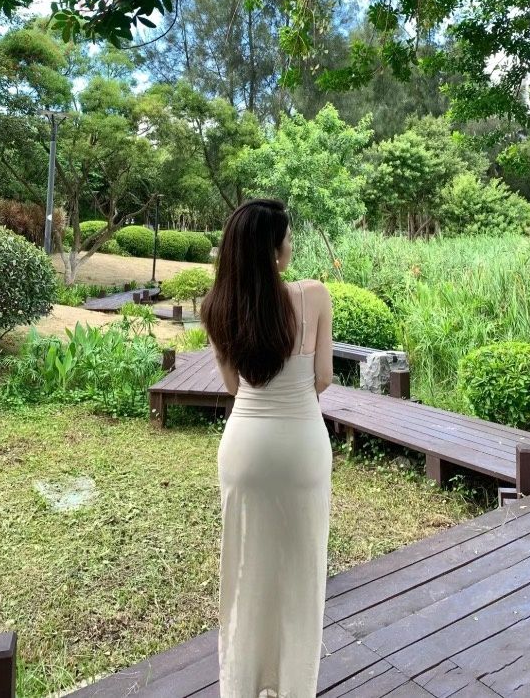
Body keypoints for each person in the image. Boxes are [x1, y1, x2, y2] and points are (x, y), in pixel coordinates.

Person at [200, 197, 334, 698]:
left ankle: (245, 685)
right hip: (301, 447)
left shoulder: (217, 307)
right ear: (274, 250)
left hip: (245, 449)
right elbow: (323, 378)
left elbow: (235, 386)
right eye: (288, 238)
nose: (291, 245)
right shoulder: (314, 296)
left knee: (244, 571)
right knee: (301, 574)